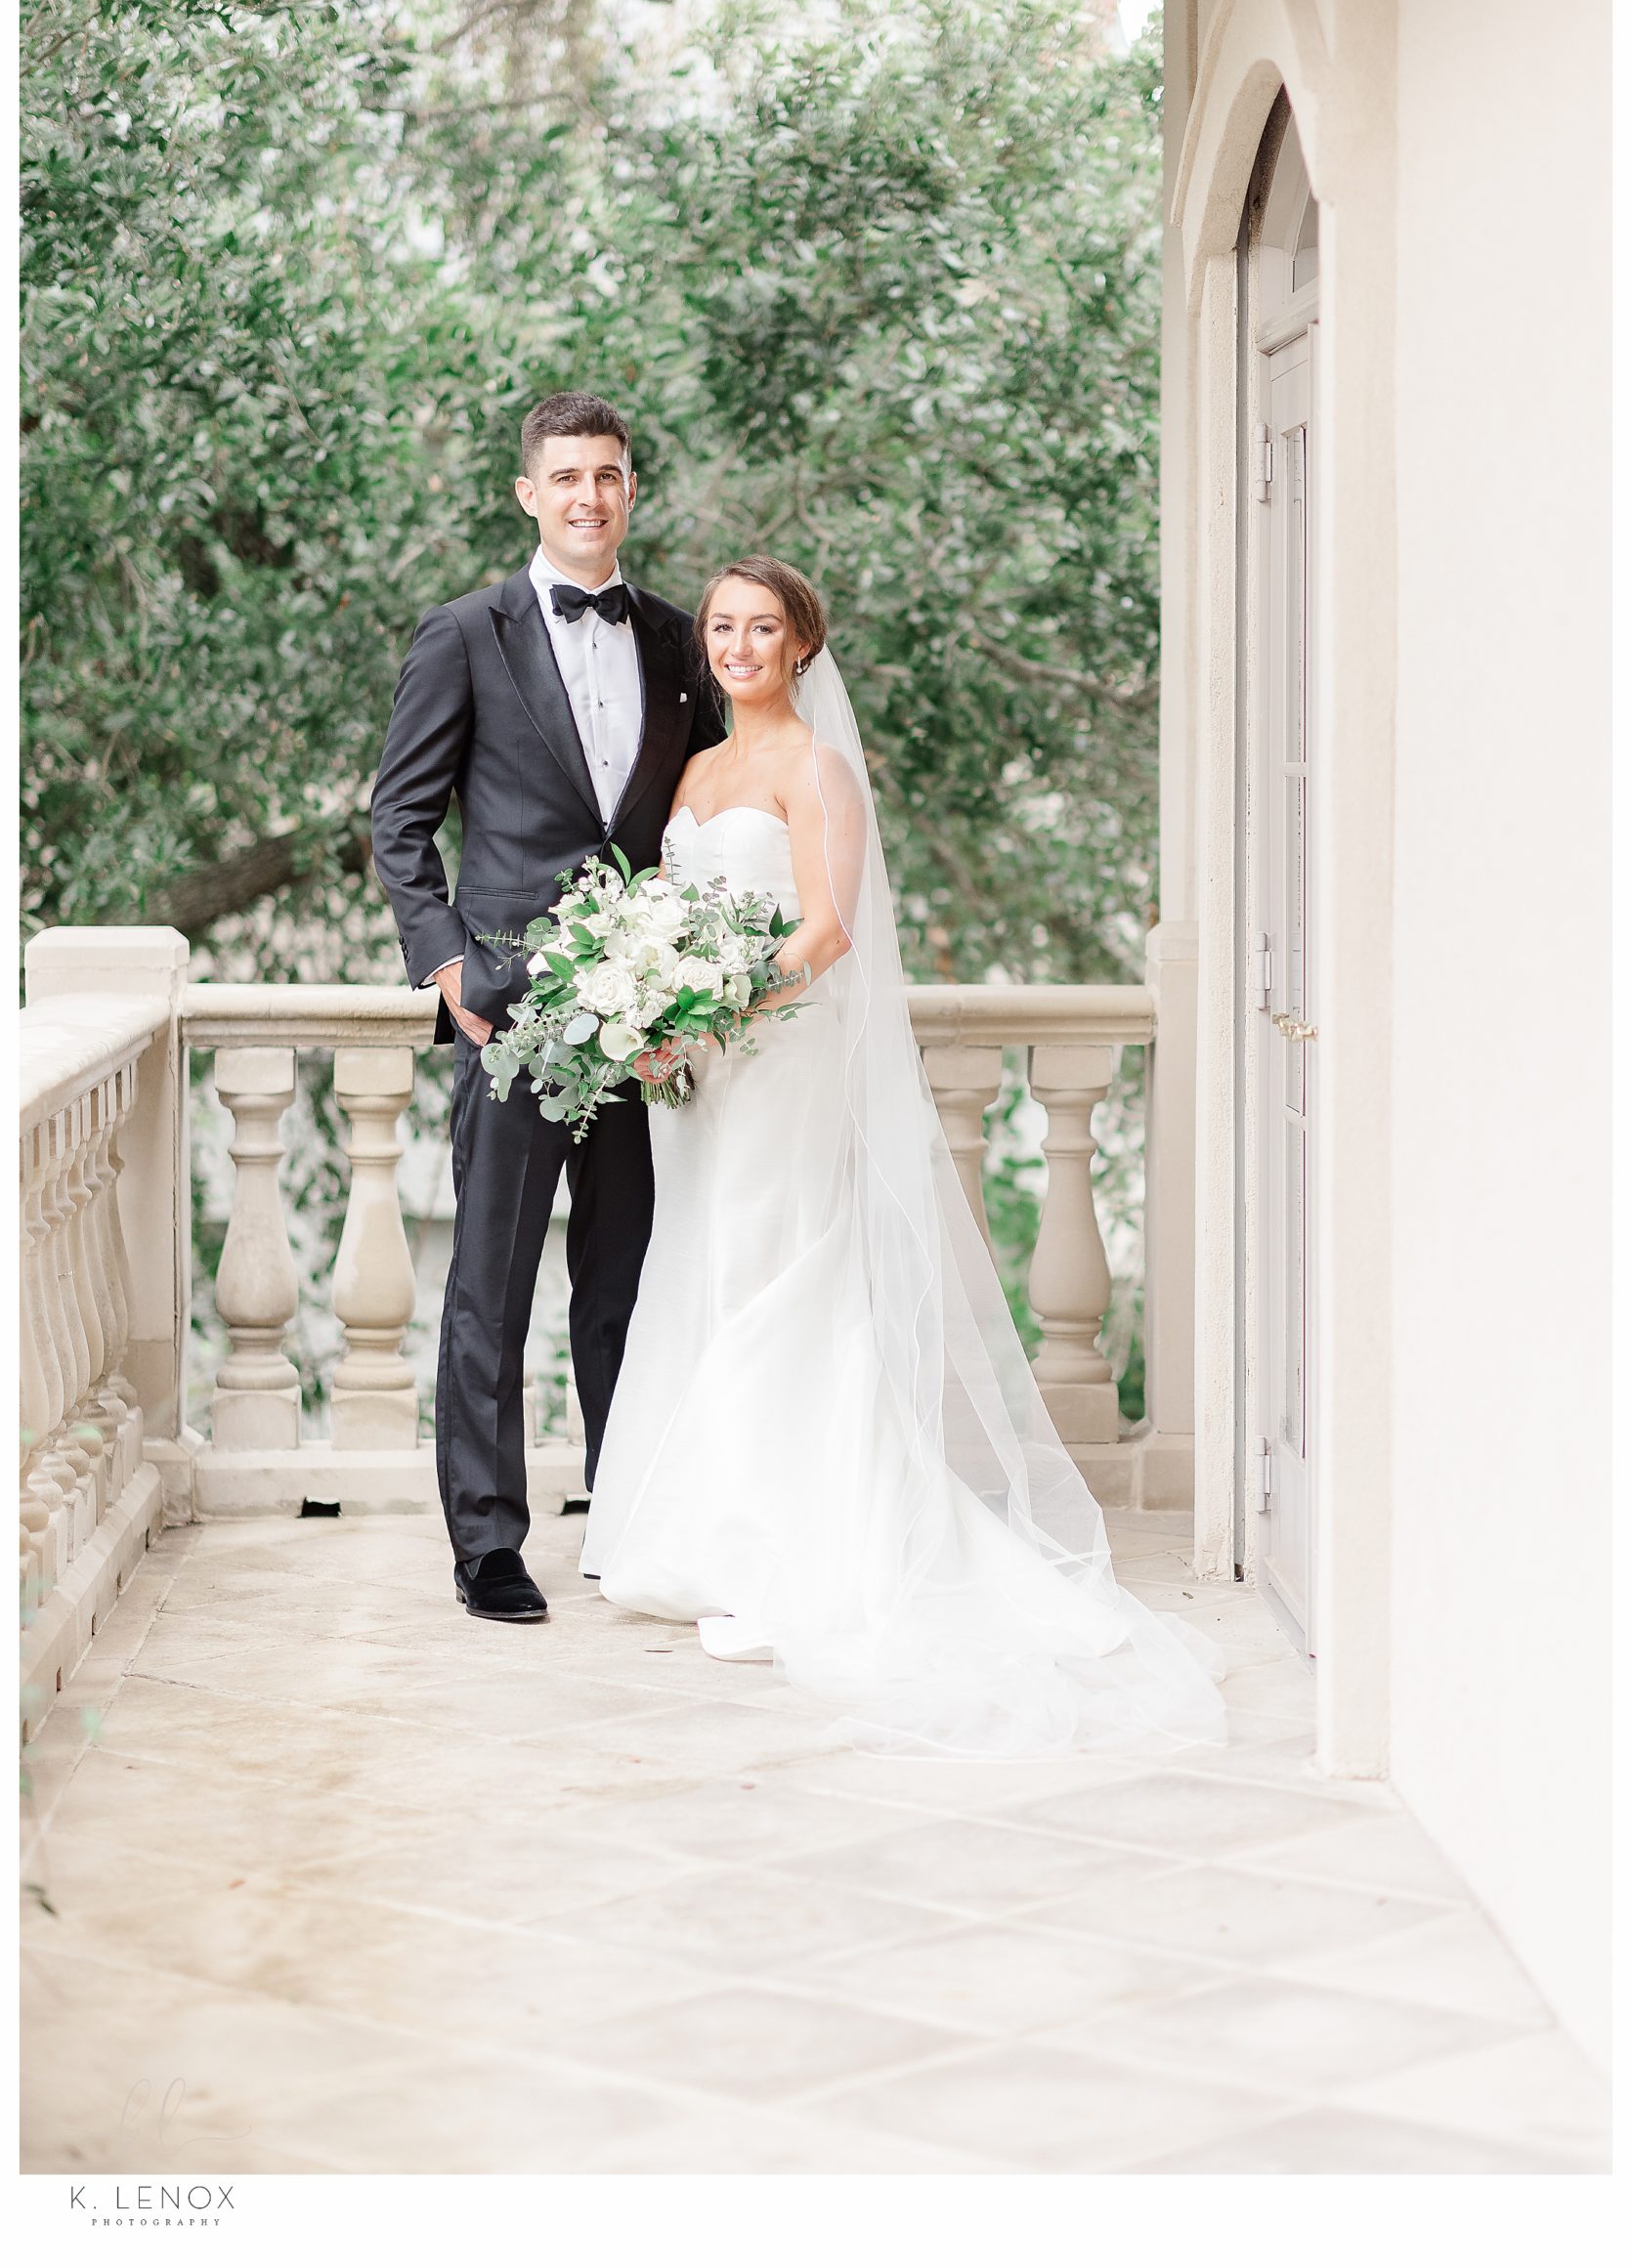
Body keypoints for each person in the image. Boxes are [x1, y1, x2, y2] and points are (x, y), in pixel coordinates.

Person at [581, 557, 1227, 1757]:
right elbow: (661, 911)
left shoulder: (816, 769)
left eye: (760, 627)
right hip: (700, 1072)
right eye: (721, 627)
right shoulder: (695, 768)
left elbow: (824, 931)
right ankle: (712, 1532)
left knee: (778, 1270)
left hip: (778, 1055)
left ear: (800, 645)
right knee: (708, 1270)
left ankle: (800, 1543)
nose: (735, 646)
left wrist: (714, 1001)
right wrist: (658, 1019)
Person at [369, 393, 725, 1623]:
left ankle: (626, 1520)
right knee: (491, 1283)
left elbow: (709, 818)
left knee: (627, 1278)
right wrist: (447, 966)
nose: (588, 496)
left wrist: (698, 971)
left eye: (609, 476)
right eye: (565, 477)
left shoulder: (683, 644)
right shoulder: (465, 634)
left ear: (632, 491)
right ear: (529, 493)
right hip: (509, 1016)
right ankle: (486, 1542)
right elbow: (398, 821)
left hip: (644, 1021)